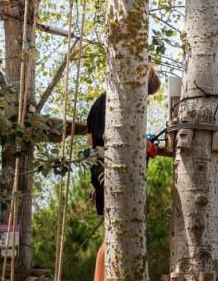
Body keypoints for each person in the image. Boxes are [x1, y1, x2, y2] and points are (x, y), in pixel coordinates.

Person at [87, 65, 161, 281]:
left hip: (100, 169)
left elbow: (92, 141)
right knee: (113, 236)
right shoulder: (117, 103)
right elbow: (122, 141)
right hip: (112, 171)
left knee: (111, 234)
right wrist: (146, 146)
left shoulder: (102, 102)